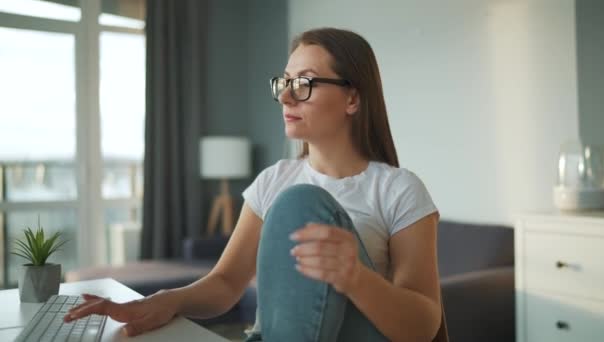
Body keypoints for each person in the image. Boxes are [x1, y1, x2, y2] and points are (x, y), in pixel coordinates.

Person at [64, 27, 447, 342]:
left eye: (305, 83)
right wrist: (165, 300)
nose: (285, 94)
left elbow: (424, 325)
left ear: (352, 98)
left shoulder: (399, 190)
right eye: (285, 81)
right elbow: (226, 283)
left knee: (301, 204)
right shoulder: (273, 180)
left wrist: (356, 278)